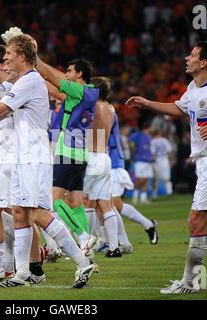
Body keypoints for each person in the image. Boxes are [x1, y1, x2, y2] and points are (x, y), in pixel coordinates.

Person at [0, 33, 97, 289]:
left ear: (22, 57)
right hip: (21, 159)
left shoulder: (31, 80)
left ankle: (82, 262)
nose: (6, 61)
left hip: (33, 158)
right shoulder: (23, 82)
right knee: (20, 213)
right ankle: (23, 273)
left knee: (37, 212)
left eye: (9, 56)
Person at [126, 41, 207, 294]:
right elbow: (179, 108)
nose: (187, 57)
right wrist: (147, 103)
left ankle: (190, 283)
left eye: (192, 55)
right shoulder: (193, 87)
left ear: (204, 62)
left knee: (195, 221)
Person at [36, 53, 99, 255]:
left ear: (79, 73)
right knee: (75, 201)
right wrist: (38, 77)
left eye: (70, 71)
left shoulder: (78, 90)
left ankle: (83, 236)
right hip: (80, 153)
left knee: (53, 201)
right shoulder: (88, 92)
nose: (66, 74)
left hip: (67, 151)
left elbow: (49, 73)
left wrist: (30, 54)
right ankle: (86, 247)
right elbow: (54, 88)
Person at [108, 105, 159, 249]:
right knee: (111, 206)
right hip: (105, 163)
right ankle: (147, 226)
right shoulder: (103, 110)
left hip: (113, 165)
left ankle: (122, 242)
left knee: (111, 206)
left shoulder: (106, 112)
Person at [82, 77, 122, 257]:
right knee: (105, 204)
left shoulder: (92, 106)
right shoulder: (111, 109)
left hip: (90, 156)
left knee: (87, 202)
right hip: (104, 157)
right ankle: (115, 247)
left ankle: (86, 247)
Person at [129, 121, 153, 204]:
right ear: (148, 127)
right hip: (140, 160)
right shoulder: (138, 134)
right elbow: (131, 140)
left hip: (148, 160)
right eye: (151, 127)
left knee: (146, 179)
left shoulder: (149, 136)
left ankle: (143, 198)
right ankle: (135, 197)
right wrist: (133, 149)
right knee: (140, 179)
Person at [151, 129, 173, 199]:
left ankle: (154, 196)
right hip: (165, 160)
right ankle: (169, 192)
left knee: (155, 178)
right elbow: (169, 152)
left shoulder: (152, 141)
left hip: (156, 161)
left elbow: (152, 153)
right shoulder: (165, 140)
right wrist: (170, 160)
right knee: (167, 178)